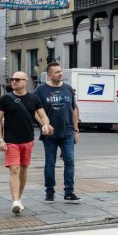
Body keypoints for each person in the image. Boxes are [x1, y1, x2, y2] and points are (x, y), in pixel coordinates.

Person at [0, 72, 53, 214]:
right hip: (11, 141)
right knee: (14, 169)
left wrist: (45, 125)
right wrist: (0, 140)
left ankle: (18, 199)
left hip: (27, 140)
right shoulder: (5, 99)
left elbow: (43, 116)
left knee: (24, 170)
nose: (14, 81)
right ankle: (15, 201)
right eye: (12, 79)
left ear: (25, 81)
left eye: (17, 79)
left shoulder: (34, 98)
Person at [35, 63, 81, 204]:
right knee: (50, 163)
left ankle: (69, 192)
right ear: (49, 75)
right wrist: (44, 125)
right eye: (56, 72)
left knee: (70, 161)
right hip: (50, 133)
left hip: (67, 131)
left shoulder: (67, 88)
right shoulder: (40, 90)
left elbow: (74, 110)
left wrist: (76, 129)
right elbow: (35, 111)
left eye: (61, 71)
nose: (60, 74)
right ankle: (50, 192)